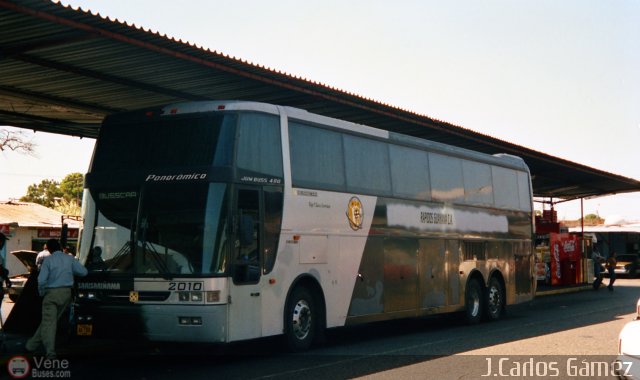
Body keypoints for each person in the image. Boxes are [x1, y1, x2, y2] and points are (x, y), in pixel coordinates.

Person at [26, 238, 87, 359]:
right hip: (66, 294)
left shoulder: (48, 261)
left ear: (48, 249)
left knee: (49, 322)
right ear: (59, 247)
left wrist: (42, 293)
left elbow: (41, 280)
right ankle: (31, 345)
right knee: (50, 322)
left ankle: (50, 353)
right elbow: (84, 272)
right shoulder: (70, 259)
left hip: (52, 294)